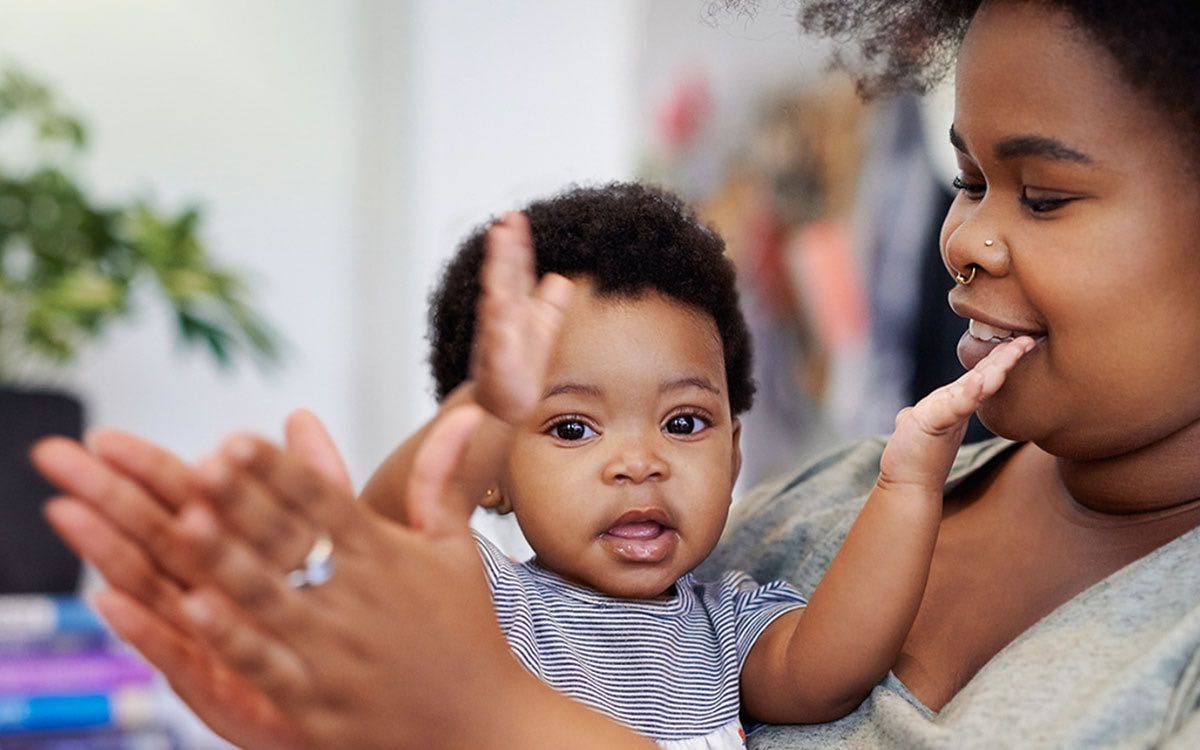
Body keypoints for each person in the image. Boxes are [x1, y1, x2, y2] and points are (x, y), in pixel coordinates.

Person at [31, 0, 1200, 746]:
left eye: (1043, 195)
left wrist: (493, 718)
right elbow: (399, 549)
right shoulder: (823, 499)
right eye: (967, 181)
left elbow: (808, 669)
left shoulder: (741, 608)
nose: (964, 241)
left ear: (733, 437)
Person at [36, 181, 1028, 748]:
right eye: (569, 429)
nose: (637, 463)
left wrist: (909, 478)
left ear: (737, 448)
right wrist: (486, 408)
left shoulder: (726, 627)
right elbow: (395, 528)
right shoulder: (490, 601)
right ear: (494, 471)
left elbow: (829, 671)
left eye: (685, 424)